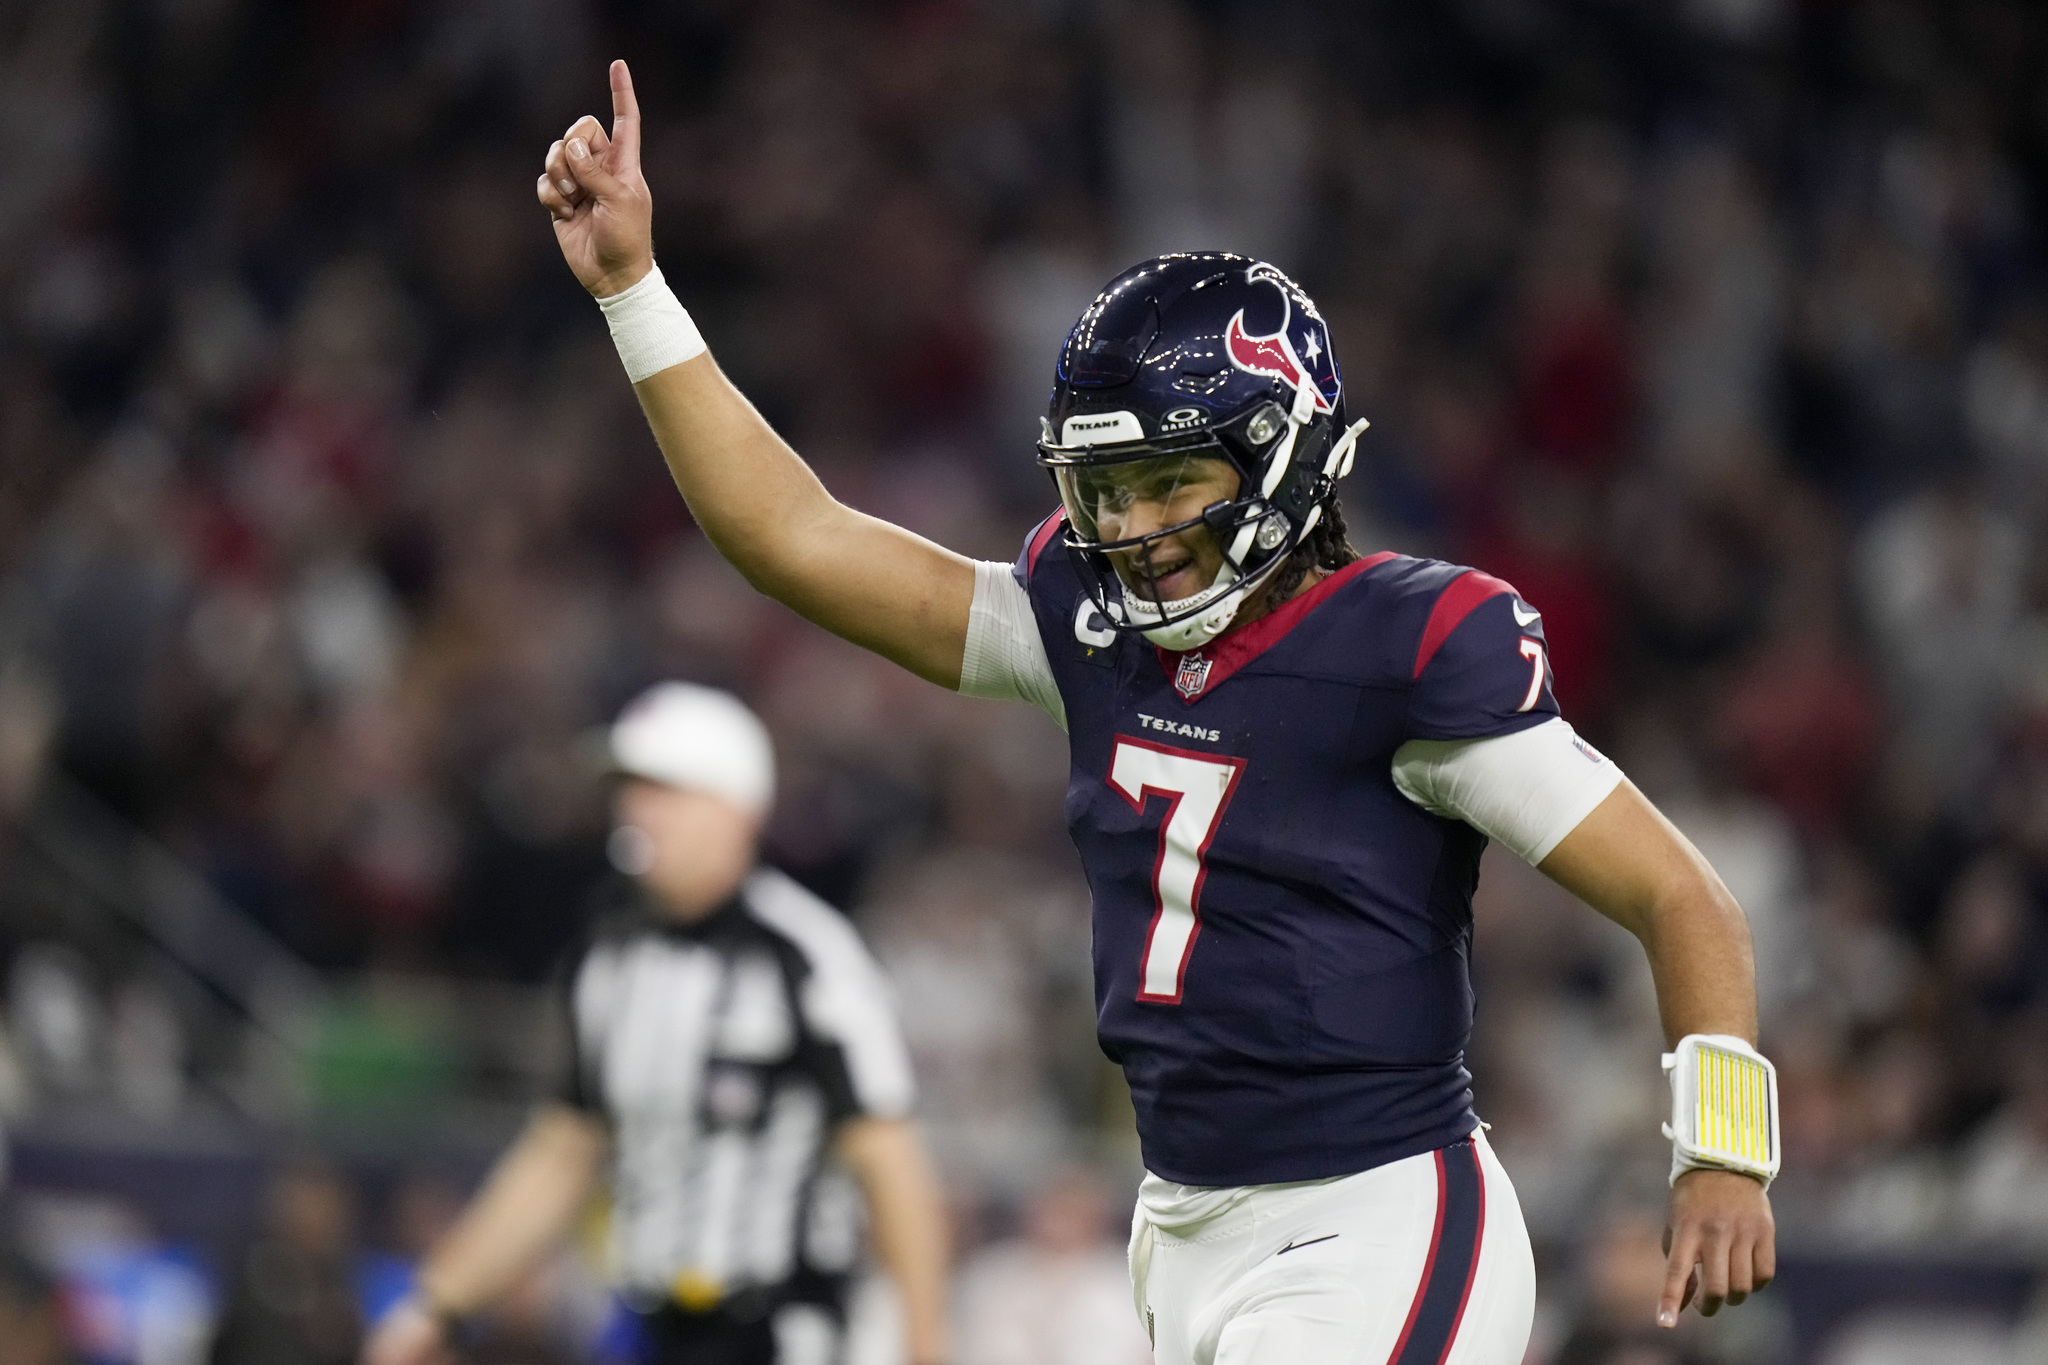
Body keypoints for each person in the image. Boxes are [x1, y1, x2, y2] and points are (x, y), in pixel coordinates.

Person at [532, 61, 1778, 1365]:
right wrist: (633, 292)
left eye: (1168, 478)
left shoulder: (1408, 646)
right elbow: (795, 537)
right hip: (1177, 1225)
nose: (1131, 529)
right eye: (1106, 487)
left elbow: (1684, 897)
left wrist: (1721, 1152)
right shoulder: (1093, 624)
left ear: (1281, 453)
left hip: (1373, 1223)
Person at [363, 682, 950, 1365]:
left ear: (734, 808)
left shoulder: (808, 956)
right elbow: (563, 1149)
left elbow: (890, 1159)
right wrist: (438, 1304)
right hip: (654, 1330)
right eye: (631, 789)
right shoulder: (607, 957)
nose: (637, 811)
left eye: (664, 789)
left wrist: (926, 1343)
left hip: (786, 1329)